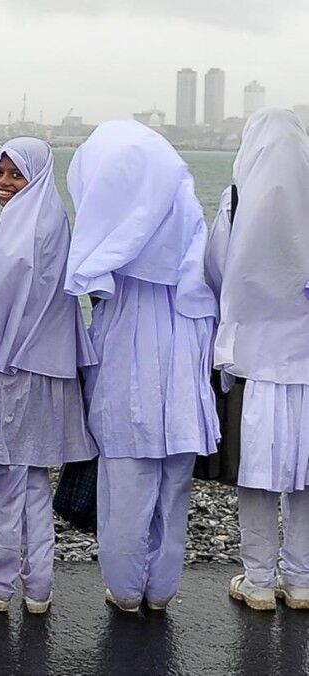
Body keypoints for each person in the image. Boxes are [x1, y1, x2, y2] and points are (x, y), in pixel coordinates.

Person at [63, 120, 219, 612]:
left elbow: (92, 282)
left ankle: (127, 590)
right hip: (184, 338)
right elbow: (207, 277)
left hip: (130, 348)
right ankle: (161, 591)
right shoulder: (185, 207)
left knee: (126, 488)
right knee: (174, 489)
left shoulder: (109, 232)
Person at [0, 138, 97, 614]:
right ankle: (38, 588)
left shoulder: (23, 226)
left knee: (1, 480)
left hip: (13, 370)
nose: (3, 183)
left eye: (14, 174)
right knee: (35, 480)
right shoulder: (55, 217)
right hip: (51, 369)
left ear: (34, 175)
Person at [206, 109, 309, 611]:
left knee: (260, 473)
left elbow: (215, 269)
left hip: (257, 364)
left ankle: (260, 580)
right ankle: (303, 578)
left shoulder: (237, 200)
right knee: (307, 474)